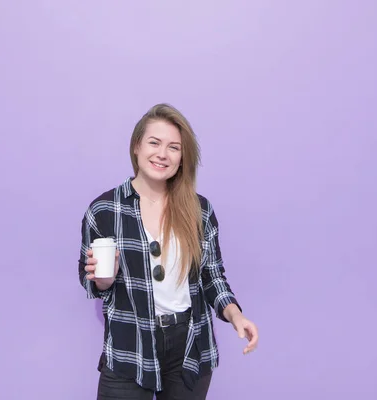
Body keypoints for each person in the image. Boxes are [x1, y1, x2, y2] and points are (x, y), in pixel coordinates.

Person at [77, 103, 259, 400]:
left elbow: (212, 276)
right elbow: (93, 284)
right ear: (136, 147)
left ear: (182, 157)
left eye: (174, 147)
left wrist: (236, 316)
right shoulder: (104, 210)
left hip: (189, 345)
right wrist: (103, 281)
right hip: (129, 346)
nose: (163, 154)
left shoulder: (199, 210)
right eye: (154, 142)